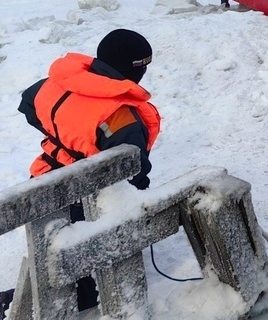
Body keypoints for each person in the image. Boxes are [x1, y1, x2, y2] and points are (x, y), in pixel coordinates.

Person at [17, 28, 161, 311]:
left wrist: (65, 139)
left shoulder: (56, 83)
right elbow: (134, 173)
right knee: (83, 275)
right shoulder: (121, 117)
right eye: (143, 66)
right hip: (81, 201)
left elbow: (28, 105)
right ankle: (80, 293)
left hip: (43, 178)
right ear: (133, 70)